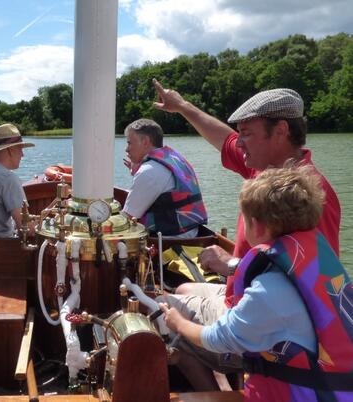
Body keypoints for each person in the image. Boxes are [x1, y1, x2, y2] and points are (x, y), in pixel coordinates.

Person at [152, 81, 341, 386]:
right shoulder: (266, 169)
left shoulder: (314, 197)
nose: (239, 144)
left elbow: (314, 285)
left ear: (280, 131)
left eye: (248, 134)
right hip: (242, 292)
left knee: (163, 313)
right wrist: (182, 106)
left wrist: (235, 272)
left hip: (268, 332)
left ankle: (218, 393)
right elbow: (225, 140)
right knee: (185, 290)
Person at [160, 166, 353, 401]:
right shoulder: (315, 257)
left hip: (301, 394)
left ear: (257, 225)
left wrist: (178, 322)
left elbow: (217, 338)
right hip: (328, 383)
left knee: (175, 336)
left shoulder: (268, 291)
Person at [122, 118, 208, 237]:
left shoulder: (149, 171)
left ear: (145, 141)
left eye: (129, 143)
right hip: (191, 233)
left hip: (169, 240)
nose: (127, 149)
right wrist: (136, 173)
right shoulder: (173, 159)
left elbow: (128, 217)